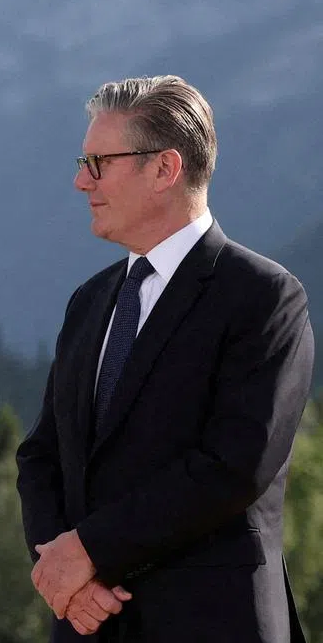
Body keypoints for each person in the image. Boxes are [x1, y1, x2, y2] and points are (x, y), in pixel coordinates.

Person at [16, 75, 313, 642]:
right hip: (89, 623)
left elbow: (233, 466)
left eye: (99, 162)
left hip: (213, 623)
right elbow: (41, 457)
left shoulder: (264, 298)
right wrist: (66, 579)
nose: (81, 181)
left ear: (165, 169)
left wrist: (88, 550)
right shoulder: (90, 302)